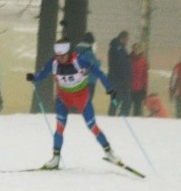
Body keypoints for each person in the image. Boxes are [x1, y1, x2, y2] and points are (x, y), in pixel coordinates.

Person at [27, 38, 121, 169]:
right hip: (64, 97)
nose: (60, 58)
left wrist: (109, 89)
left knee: (92, 126)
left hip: (81, 96)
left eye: (63, 56)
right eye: (58, 56)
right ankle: (55, 158)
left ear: (69, 52)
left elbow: (99, 73)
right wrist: (34, 77)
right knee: (59, 127)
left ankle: (109, 152)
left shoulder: (79, 60)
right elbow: (43, 74)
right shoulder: (54, 62)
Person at [107, 31, 131, 116]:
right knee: (119, 100)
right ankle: (115, 116)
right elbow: (119, 65)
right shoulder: (117, 49)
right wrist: (123, 77)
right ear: (123, 38)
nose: (127, 41)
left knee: (122, 101)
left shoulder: (120, 48)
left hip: (120, 80)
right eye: (126, 39)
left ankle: (116, 115)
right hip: (118, 80)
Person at [74, 32, 101, 98]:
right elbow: (94, 65)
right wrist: (99, 62)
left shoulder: (76, 50)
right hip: (89, 79)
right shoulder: (89, 52)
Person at [129, 42, 148, 116]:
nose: (137, 50)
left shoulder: (143, 61)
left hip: (139, 88)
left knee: (138, 108)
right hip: (130, 87)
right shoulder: (129, 59)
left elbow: (145, 75)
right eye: (135, 48)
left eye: (139, 49)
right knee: (127, 105)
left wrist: (145, 87)